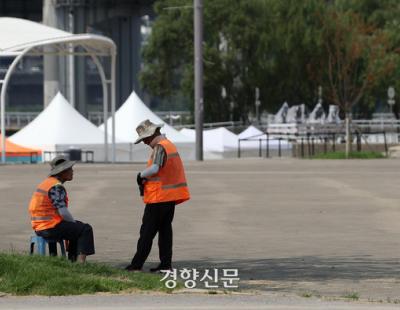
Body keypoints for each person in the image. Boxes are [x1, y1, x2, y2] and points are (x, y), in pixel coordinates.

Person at [126, 119, 190, 272]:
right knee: (165, 232)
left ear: (152, 134)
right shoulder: (169, 145)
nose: (144, 143)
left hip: (158, 198)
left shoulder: (160, 147)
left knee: (147, 232)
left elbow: (155, 168)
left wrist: (141, 175)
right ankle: (166, 264)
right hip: (169, 198)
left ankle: (136, 265)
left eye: (145, 139)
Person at [28, 155, 95, 262]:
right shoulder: (56, 187)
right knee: (85, 229)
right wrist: (73, 223)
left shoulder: (47, 183)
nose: (73, 172)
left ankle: (73, 261)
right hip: (49, 227)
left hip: (40, 227)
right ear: (62, 172)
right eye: (70, 169)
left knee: (75, 229)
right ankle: (80, 263)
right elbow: (63, 212)